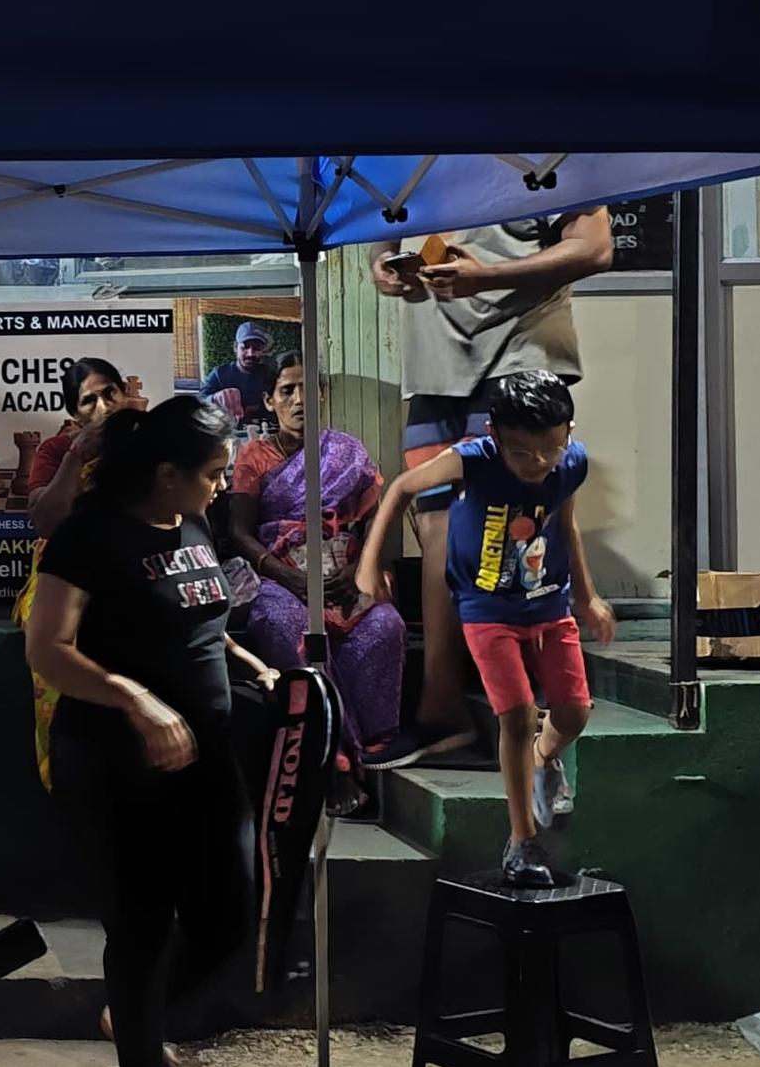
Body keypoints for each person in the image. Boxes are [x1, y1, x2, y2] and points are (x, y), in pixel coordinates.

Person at [26, 392, 255, 1067]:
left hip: (208, 756)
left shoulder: (193, 522)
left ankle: (134, 1018)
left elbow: (196, 616)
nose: (223, 485)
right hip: (117, 762)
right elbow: (47, 647)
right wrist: (135, 699)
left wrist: (253, 666)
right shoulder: (88, 536)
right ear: (166, 473)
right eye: (213, 472)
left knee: (231, 916)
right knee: (142, 930)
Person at [354, 365, 611, 889]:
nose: (538, 464)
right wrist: (368, 563)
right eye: (521, 453)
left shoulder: (571, 463)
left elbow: (565, 523)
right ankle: (521, 842)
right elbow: (401, 488)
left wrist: (587, 597)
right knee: (515, 715)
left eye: (550, 449)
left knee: (574, 713)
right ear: (493, 435)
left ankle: (543, 758)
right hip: (485, 608)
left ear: (569, 432)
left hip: (548, 605)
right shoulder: (473, 459)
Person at [370, 207, 611, 754]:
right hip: (434, 367)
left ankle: (531, 705)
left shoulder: (542, 160)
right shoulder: (406, 166)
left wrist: (489, 276)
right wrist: (382, 264)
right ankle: (442, 706)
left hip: (517, 354)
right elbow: (384, 237)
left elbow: (595, 247)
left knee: (508, 524)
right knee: (437, 531)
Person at [228, 346, 408, 759]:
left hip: (344, 574)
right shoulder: (254, 457)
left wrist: (359, 569)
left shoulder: (347, 450)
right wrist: (289, 577)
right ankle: (333, 743)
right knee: (282, 623)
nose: (299, 400)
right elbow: (239, 531)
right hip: (281, 578)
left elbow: (374, 520)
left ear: (322, 394)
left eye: (307, 388)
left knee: (386, 625)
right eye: (287, 390)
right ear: (269, 400)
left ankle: (374, 741)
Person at [24, 355, 139, 537]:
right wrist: (75, 456)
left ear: (124, 393)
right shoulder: (56, 449)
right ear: (75, 414)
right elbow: (45, 525)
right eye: (89, 401)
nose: (104, 407)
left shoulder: (149, 439)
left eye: (110, 393)